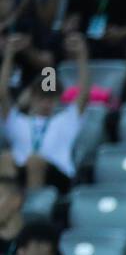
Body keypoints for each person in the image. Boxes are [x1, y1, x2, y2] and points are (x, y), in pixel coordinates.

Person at [0, 30, 89, 194]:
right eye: (42, 97)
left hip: (57, 175)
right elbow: (2, 93)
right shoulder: (17, 121)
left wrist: (81, 55)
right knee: (5, 158)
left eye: (51, 97)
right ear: (32, 98)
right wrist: (9, 55)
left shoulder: (66, 120)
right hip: (21, 171)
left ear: (57, 99)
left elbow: (83, 93)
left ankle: (34, 209)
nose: (46, 102)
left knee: (35, 161)